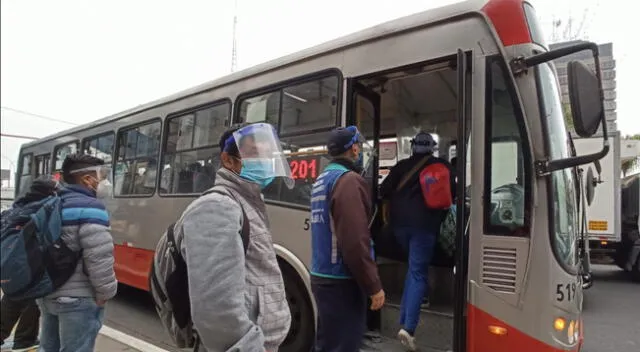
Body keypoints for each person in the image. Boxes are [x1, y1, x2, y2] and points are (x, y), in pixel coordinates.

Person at [181, 123, 292, 352]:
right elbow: (215, 310)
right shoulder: (217, 207)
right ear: (228, 160)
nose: (264, 160)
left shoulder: (248, 201)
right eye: (253, 153)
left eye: (267, 154)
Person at [310, 126, 385, 352]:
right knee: (343, 346)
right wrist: (373, 285)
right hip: (342, 280)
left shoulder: (322, 179)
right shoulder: (348, 180)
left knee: (329, 343)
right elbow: (355, 241)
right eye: (358, 147)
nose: (360, 152)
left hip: (323, 276)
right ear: (354, 149)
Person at [379, 132, 455, 351]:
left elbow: (383, 190)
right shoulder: (443, 166)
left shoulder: (401, 166)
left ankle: (404, 318)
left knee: (413, 270)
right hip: (425, 228)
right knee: (418, 272)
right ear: (431, 148)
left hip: (399, 228)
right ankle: (409, 327)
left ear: (413, 147)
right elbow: (454, 194)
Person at [38, 154, 117, 352]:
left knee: (48, 348)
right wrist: (105, 293)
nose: (104, 182)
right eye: (102, 175)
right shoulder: (91, 207)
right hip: (78, 298)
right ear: (87, 180)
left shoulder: (52, 203)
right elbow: (99, 256)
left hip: (48, 294)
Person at [0, 177, 59, 352]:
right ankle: (24, 340)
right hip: (32, 263)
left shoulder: (15, 209)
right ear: (51, 193)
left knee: (12, 296)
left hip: (8, 262)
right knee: (34, 299)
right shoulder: (45, 208)